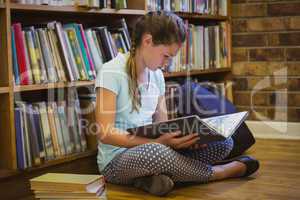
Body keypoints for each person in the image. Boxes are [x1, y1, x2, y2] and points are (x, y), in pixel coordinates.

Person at [95, 11, 259, 196]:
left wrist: (185, 140)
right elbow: (105, 133)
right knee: (157, 153)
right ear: (147, 41)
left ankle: (151, 179)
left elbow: (162, 126)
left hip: (153, 148)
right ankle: (217, 172)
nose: (167, 63)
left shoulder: (156, 75)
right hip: (117, 161)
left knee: (225, 142)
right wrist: (158, 143)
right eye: (166, 56)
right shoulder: (111, 72)